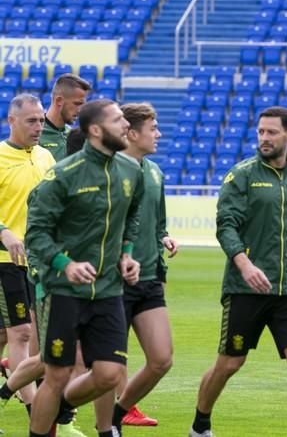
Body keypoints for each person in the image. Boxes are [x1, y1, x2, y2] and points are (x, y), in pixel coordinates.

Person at [189, 106, 287, 437]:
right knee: (230, 363)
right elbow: (226, 226)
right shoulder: (241, 175)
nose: (264, 138)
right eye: (260, 132)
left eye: (271, 132)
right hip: (246, 288)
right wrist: (243, 264)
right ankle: (201, 423)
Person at [25, 99, 144, 437]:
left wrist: (128, 254)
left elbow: (131, 217)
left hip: (108, 290)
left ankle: (64, 410)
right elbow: (36, 232)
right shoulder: (63, 175)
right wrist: (65, 264)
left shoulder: (130, 170)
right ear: (95, 130)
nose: (126, 126)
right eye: (119, 120)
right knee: (58, 373)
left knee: (108, 373)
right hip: (63, 291)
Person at [107, 102, 178, 433]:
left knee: (162, 359)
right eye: (153, 128)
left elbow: (157, 221)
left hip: (149, 276)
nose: (159, 134)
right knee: (108, 365)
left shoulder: (154, 172)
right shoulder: (108, 170)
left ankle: (116, 414)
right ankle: (96, 423)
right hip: (113, 280)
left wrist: (164, 238)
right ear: (132, 133)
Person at [0, 94, 55, 424]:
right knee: (21, 332)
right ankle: (35, 410)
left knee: (7, 336)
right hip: (3, 260)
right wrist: (3, 230)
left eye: (41, 120)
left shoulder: (47, 157)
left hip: (37, 262)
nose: (39, 126)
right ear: (11, 121)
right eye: (31, 121)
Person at [39, 73, 91, 161]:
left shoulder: (73, 136)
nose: (80, 110)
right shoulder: (36, 135)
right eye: (77, 104)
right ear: (59, 101)